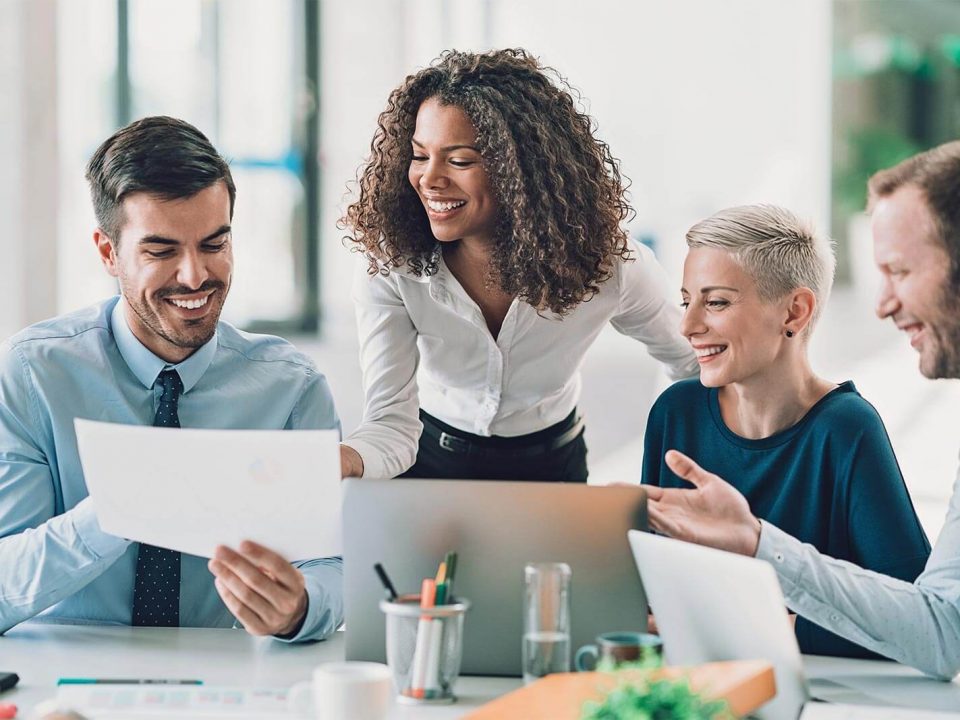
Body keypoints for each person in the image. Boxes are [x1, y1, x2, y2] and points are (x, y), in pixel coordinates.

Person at [0, 116, 342, 642]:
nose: (194, 276)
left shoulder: (291, 389)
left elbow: (333, 565)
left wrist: (301, 608)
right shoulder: (33, 374)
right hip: (66, 683)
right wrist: (122, 507)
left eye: (214, 244)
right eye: (161, 251)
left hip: (224, 682)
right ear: (108, 252)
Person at [644, 141, 960, 679]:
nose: (881, 304)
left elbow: (924, 624)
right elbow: (941, 629)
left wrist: (757, 584)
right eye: (686, 300)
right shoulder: (677, 412)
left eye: (900, 270)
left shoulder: (846, 425)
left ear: (795, 310)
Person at [338, 48, 698, 481]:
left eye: (459, 160)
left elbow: (692, 365)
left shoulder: (609, 264)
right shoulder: (392, 264)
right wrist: (343, 462)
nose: (429, 179)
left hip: (551, 465)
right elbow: (390, 426)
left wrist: (672, 457)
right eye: (419, 155)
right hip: (427, 457)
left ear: (518, 170)